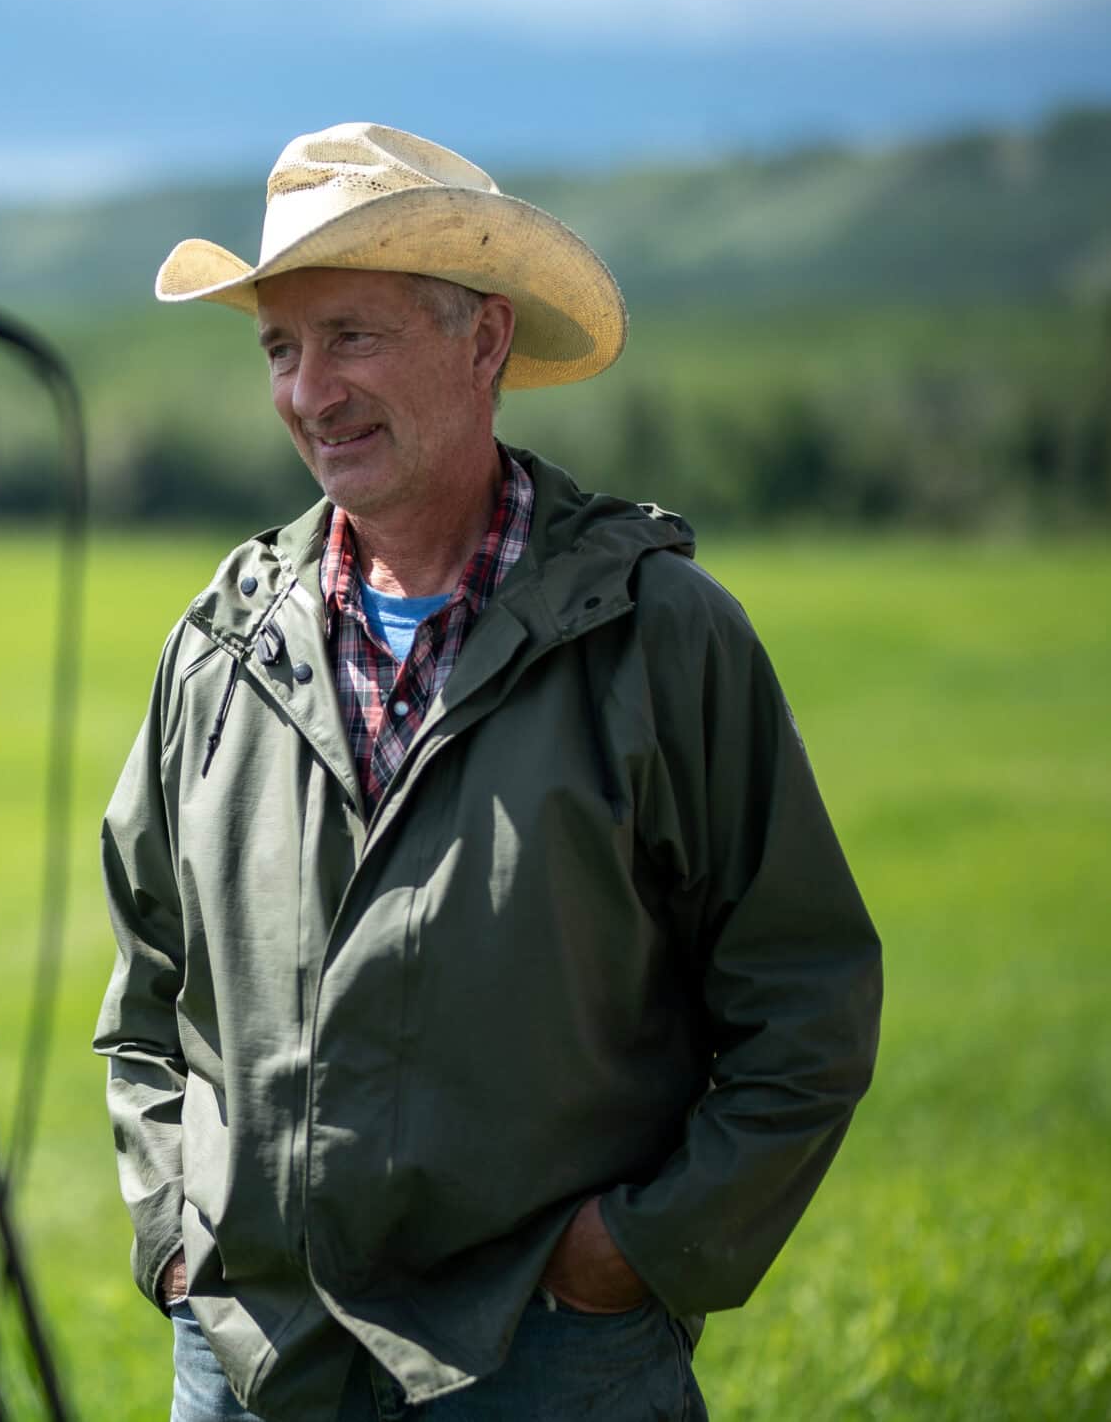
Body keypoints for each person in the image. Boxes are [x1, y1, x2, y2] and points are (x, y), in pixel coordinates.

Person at [95, 123, 882, 1420]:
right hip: (248, 1360)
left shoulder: (661, 633)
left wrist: (636, 1254)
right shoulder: (218, 641)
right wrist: (178, 1230)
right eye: (280, 348)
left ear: (485, 339)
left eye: (351, 334)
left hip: (547, 1360)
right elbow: (147, 988)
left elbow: (806, 998)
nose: (310, 391)